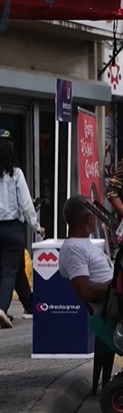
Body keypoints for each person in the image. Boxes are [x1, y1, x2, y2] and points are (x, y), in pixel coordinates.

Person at [0, 138, 44, 330]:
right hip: (12, 230)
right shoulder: (16, 174)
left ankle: (29, 305)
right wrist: (36, 227)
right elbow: (26, 204)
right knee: (9, 271)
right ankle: (1, 309)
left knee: (15, 268)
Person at [57, 195, 112, 313]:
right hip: (108, 311)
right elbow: (85, 291)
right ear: (89, 218)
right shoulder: (73, 248)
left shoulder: (83, 244)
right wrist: (117, 289)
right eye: (95, 214)